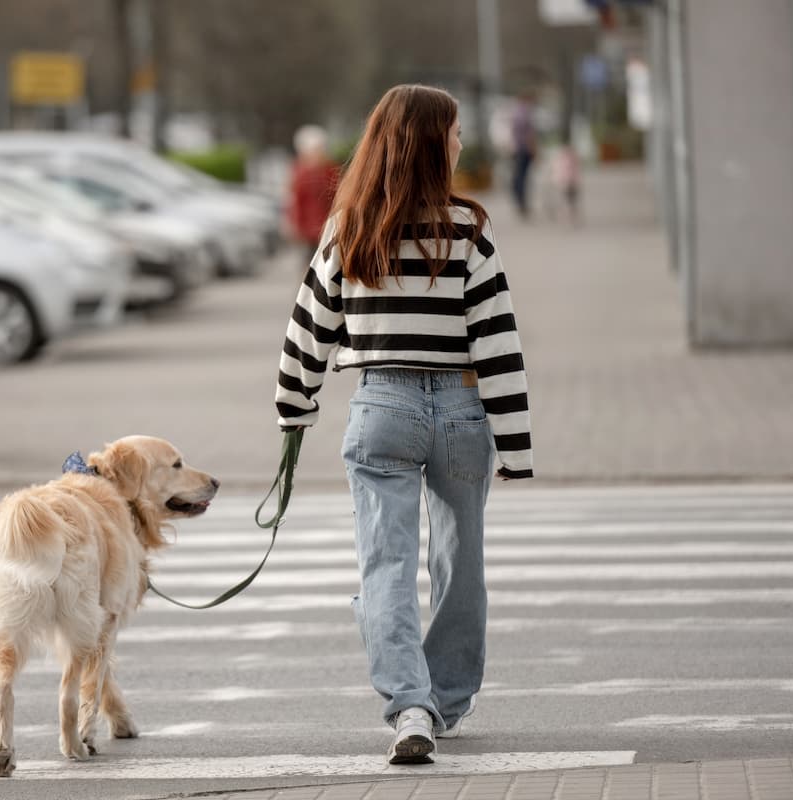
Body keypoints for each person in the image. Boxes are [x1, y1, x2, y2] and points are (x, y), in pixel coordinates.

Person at [273, 84, 533, 765]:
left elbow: (307, 333)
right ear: (428, 144)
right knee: (460, 563)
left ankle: (408, 705)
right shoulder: (469, 232)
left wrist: (295, 410)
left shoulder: (350, 229)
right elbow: (498, 343)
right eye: (452, 133)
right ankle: (445, 699)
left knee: (384, 565)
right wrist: (515, 442)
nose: (460, 143)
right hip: (459, 409)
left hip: (380, 405)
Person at [286, 124, 340, 266]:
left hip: (329, 225)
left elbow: (338, 197)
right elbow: (295, 201)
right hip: (309, 230)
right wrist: (296, 226)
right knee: (311, 263)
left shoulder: (330, 169)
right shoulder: (299, 172)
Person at [509, 90, 538, 219]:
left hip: (517, 150)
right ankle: (522, 203)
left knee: (519, 177)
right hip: (524, 150)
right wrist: (533, 149)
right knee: (522, 178)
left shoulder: (516, 112)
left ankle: (521, 203)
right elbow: (528, 135)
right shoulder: (524, 114)